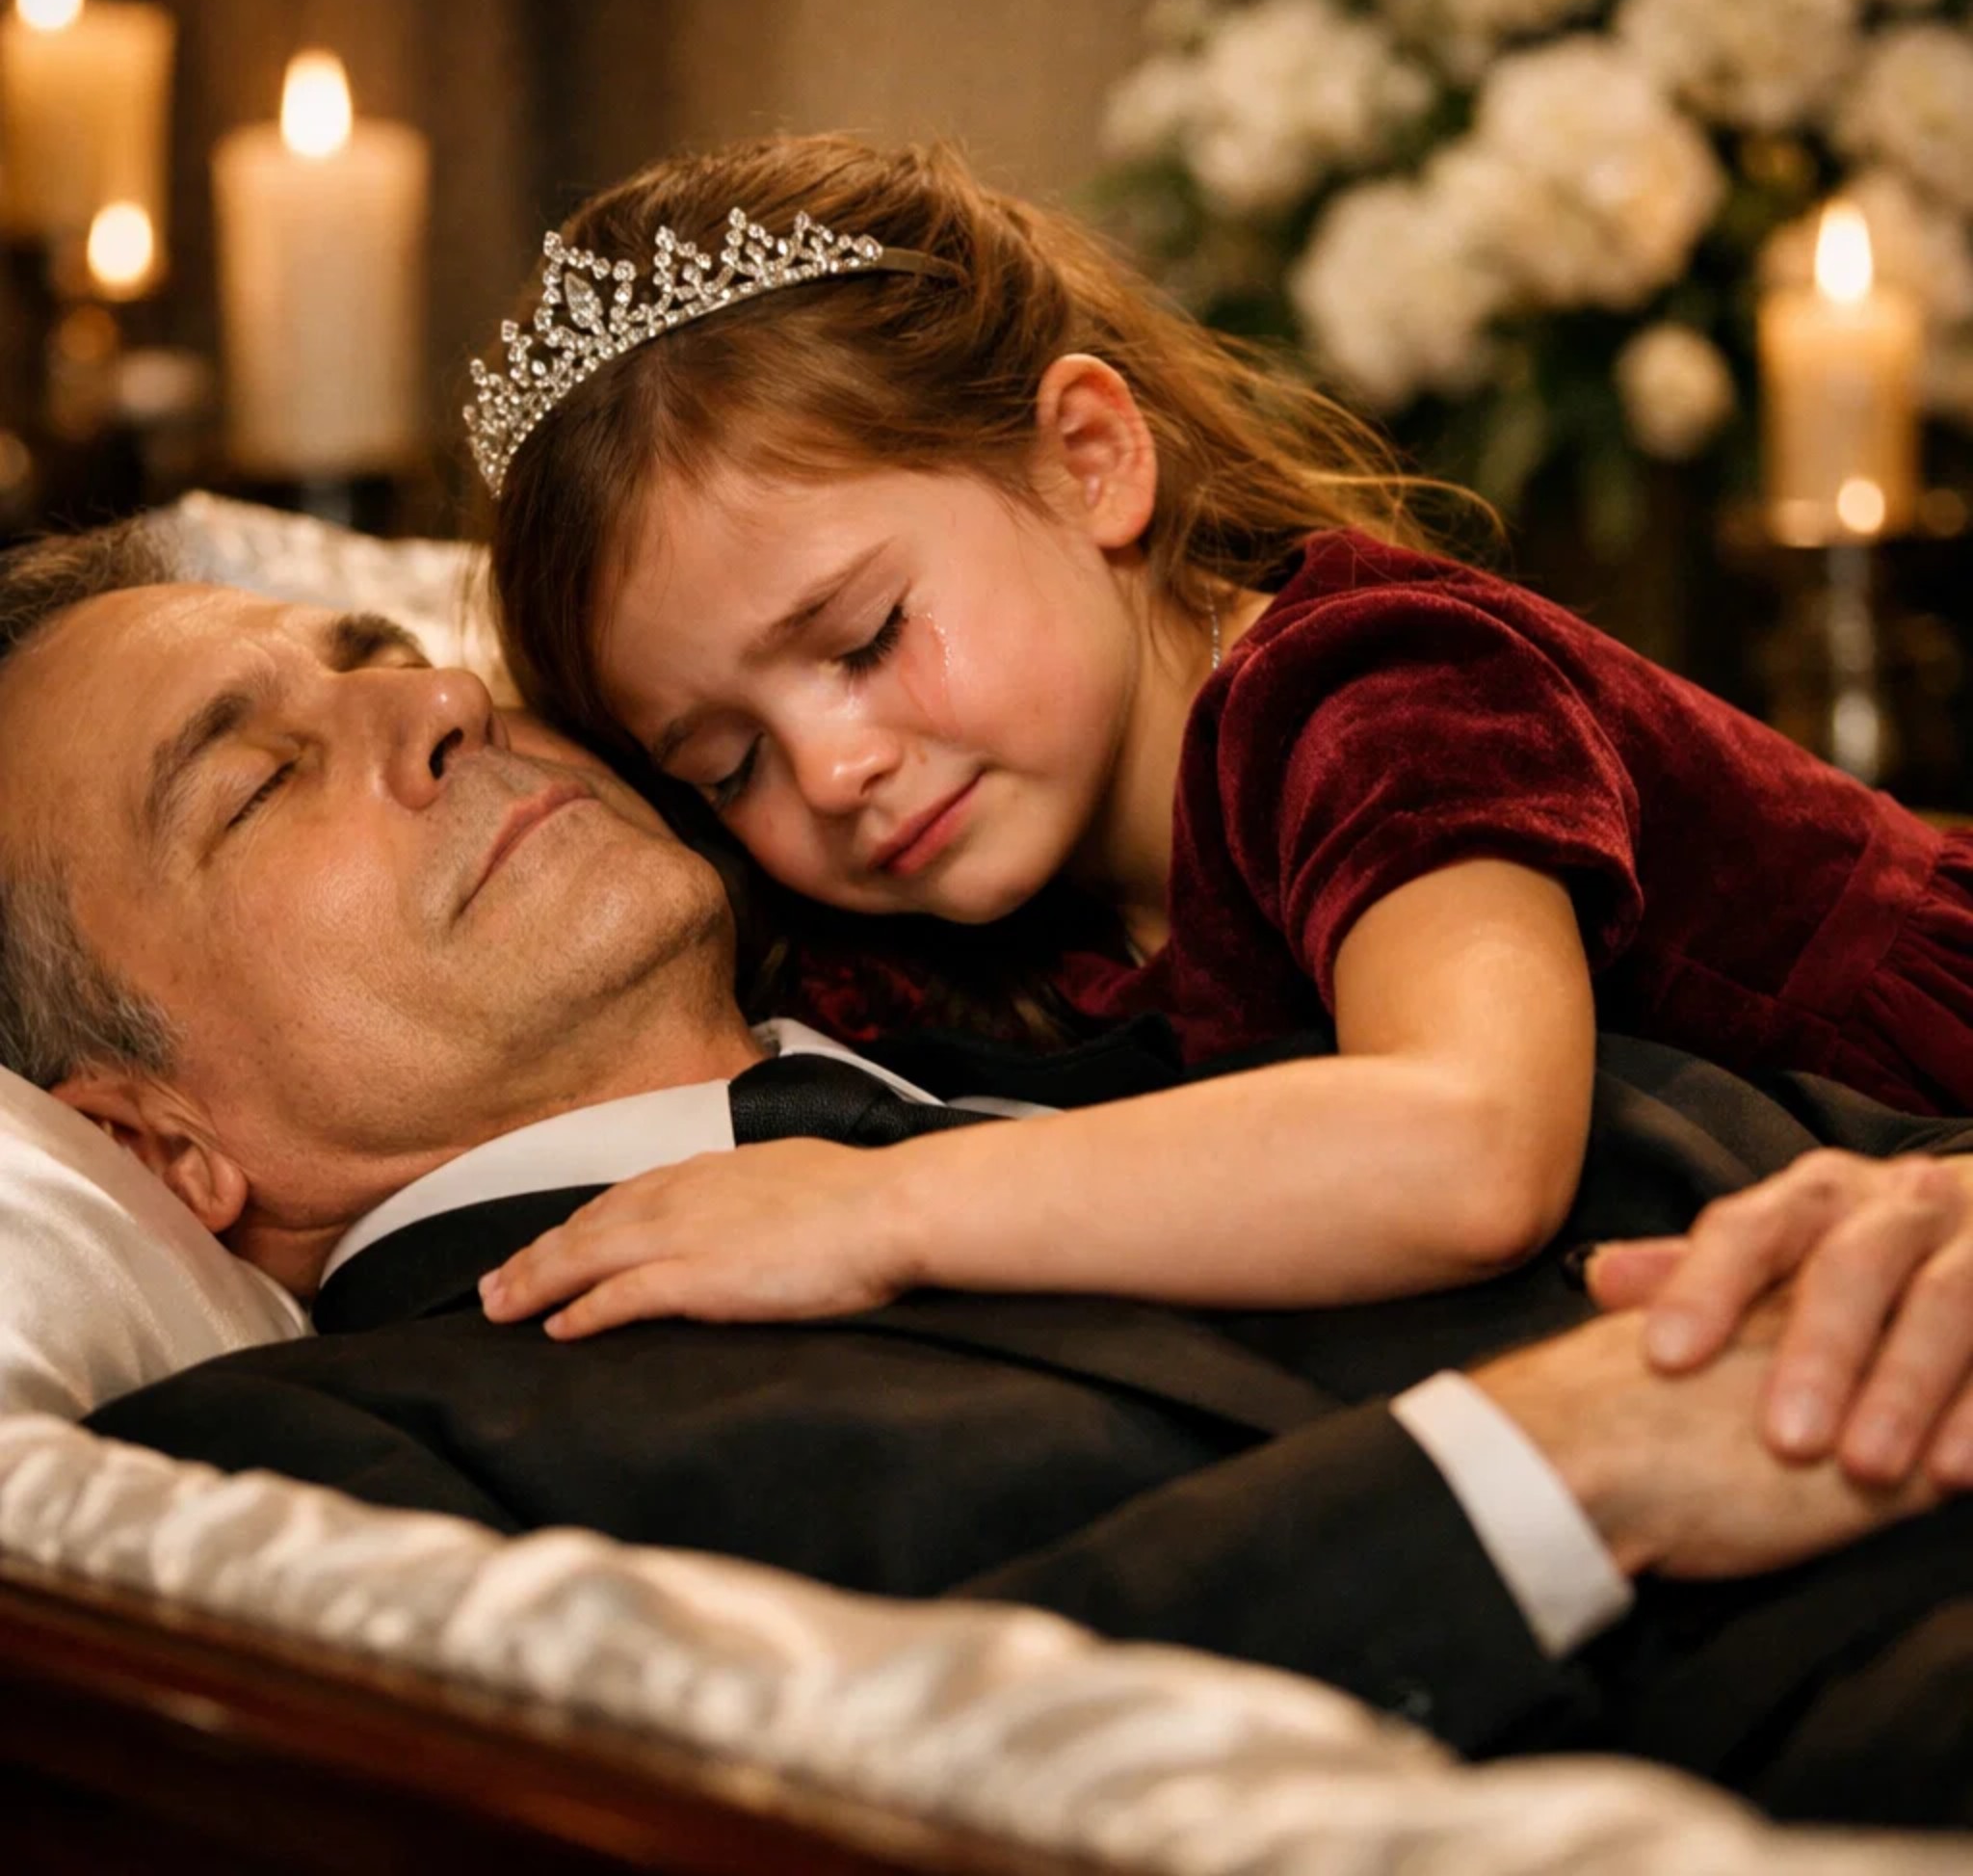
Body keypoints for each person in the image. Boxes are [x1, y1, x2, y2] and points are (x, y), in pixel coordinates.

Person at [2, 525, 1971, 1827]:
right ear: (154, 1138)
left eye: (403, 662)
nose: (444, 705)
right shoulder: (279, 1488)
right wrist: (1559, 1466)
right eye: (258, 779)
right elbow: (773, 1810)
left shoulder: (1137, 943)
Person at [472, 136, 1973, 1492]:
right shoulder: (961, 901)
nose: (828, 773)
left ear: (1089, 461)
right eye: (726, 764)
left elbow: (1469, 1150)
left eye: (864, 640)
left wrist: (875, 1211)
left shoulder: (1376, 696)